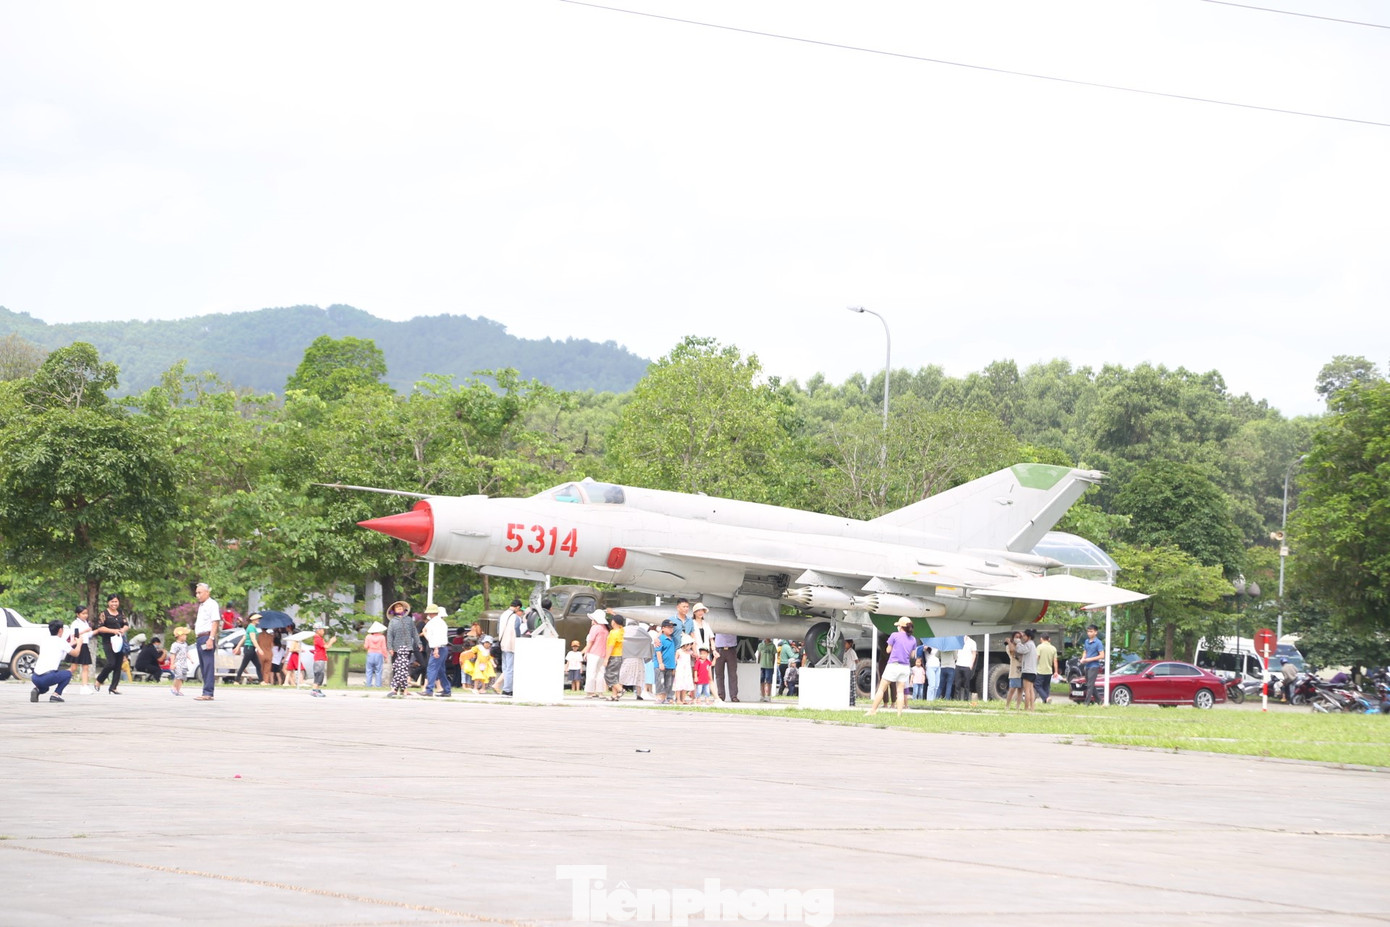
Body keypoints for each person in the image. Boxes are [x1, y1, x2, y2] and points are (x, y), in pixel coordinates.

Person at [867, 617, 916, 715]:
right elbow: (912, 655)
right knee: (900, 691)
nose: (897, 627)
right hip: (905, 666)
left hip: (893, 665)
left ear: (901, 627)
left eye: (898, 625)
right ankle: (899, 714)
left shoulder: (894, 635)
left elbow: (888, 650)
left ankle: (873, 710)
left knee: (881, 688)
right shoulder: (913, 639)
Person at [30, 619, 82, 703]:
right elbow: (76, 653)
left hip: (35, 677)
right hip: (47, 677)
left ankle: (37, 690)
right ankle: (56, 695)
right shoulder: (61, 642)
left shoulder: (44, 640)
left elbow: (55, 649)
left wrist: (70, 644)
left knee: (45, 688)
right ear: (60, 630)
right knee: (68, 674)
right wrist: (79, 643)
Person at [93, 593, 130, 695]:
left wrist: (123, 630)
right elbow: (100, 627)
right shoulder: (104, 613)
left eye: (116, 601)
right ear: (108, 602)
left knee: (118, 665)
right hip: (108, 641)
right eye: (112, 601)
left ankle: (113, 687)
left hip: (120, 641)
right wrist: (113, 631)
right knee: (111, 663)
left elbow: (126, 625)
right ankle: (99, 680)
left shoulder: (121, 613)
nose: (114, 603)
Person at [194, 582, 220, 701]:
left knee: (208, 665)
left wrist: (211, 638)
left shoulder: (212, 604)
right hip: (200, 637)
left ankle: (208, 692)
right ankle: (205, 690)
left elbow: (215, 622)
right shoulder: (202, 606)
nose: (197, 595)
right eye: (196, 593)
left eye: (200, 593)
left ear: (207, 592)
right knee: (203, 665)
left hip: (207, 637)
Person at [386, 600, 415, 698]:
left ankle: (403, 689)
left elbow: (414, 632)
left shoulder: (409, 620)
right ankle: (395, 688)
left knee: (405, 669)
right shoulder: (392, 622)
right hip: (396, 648)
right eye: (397, 607)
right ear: (394, 610)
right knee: (397, 668)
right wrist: (390, 647)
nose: (399, 608)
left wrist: (418, 643)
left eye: (400, 606)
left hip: (408, 647)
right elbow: (389, 635)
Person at [421, 605, 451, 698]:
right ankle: (446, 690)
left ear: (430, 613)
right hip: (443, 647)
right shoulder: (441, 622)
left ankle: (429, 689)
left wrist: (436, 648)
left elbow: (434, 636)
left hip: (437, 648)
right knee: (440, 670)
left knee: (432, 669)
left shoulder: (433, 623)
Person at [68, 604, 95, 694]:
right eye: (83, 614)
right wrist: (86, 631)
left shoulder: (85, 623)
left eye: (86, 613)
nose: (85, 615)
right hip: (77, 645)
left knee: (85, 667)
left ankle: (84, 686)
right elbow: (75, 635)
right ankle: (62, 681)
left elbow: (88, 634)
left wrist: (95, 631)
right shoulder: (75, 623)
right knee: (74, 667)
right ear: (78, 614)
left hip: (85, 645)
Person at [583, 609, 609, 698]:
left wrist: (585, 652)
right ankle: (600, 692)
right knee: (600, 673)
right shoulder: (605, 629)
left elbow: (590, 642)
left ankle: (590, 692)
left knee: (591, 672)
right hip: (602, 654)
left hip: (593, 653)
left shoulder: (595, 627)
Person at [309, 623, 337, 698]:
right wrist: (331, 641)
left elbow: (325, 647)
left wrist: (330, 642)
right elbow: (326, 646)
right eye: (322, 629)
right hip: (319, 658)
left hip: (321, 658)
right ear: (318, 630)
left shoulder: (319, 638)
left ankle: (317, 689)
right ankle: (314, 690)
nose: (323, 631)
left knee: (320, 674)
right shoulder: (317, 638)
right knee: (318, 674)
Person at [233, 614, 262, 684]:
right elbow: (253, 639)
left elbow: (244, 637)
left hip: (251, 648)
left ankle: (262, 681)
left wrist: (238, 646)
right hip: (249, 648)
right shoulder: (251, 627)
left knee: (258, 665)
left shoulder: (251, 627)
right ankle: (236, 680)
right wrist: (259, 649)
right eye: (257, 619)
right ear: (253, 620)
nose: (258, 620)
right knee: (244, 665)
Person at [604, 612, 626, 701]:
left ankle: (621, 689)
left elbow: (610, 646)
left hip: (613, 656)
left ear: (614, 622)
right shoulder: (621, 631)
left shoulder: (613, 633)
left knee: (609, 675)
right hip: (620, 656)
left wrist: (606, 658)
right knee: (615, 676)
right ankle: (614, 695)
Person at [1081, 624, 1105, 705]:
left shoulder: (1098, 642)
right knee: (1090, 684)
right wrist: (1083, 658)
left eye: (1091, 631)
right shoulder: (1086, 641)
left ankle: (1086, 703)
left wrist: (1090, 659)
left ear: (1095, 632)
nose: (1089, 633)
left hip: (1094, 666)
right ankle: (1100, 701)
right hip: (1087, 665)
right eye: (1088, 631)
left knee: (1090, 685)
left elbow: (1102, 655)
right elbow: (1085, 651)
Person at [1015, 629, 1038, 711]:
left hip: (1027, 670)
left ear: (1029, 637)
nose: (1023, 637)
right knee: (1031, 690)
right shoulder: (1032, 644)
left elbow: (1020, 650)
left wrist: (1018, 642)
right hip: (1033, 670)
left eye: (1024, 636)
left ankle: (1026, 708)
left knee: (1027, 690)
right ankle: (1032, 707)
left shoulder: (1028, 645)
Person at [655, 620, 677, 704]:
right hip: (660, 665)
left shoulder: (673, 639)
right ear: (663, 628)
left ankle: (669, 697)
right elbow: (658, 651)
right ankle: (659, 697)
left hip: (670, 665)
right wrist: (660, 663)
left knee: (669, 682)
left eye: (672, 627)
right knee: (660, 681)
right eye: (669, 627)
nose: (671, 629)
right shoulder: (660, 639)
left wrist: (674, 665)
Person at [713, 630, 739, 703]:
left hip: (731, 649)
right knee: (719, 674)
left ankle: (734, 696)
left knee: (733, 674)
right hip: (719, 649)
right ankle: (721, 695)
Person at [361, 621, 387, 688]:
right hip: (379, 654)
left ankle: (368, 684)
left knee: (369, 670)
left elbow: (366, 646)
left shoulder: (368, 637)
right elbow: (384, 647)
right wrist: (385, 656)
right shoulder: (382, 637)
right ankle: (378, 685)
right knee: (378, 670)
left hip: (370, 654)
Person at [1035, 632, 1058, 704]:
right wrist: (1056, 672)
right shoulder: (1053, 648)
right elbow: (1055, 661)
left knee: (1037, 685)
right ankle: (1045, 701)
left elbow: (1037, 658)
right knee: (1046, 686)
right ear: (1049, 639)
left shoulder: (1039, 647)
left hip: (1040, 670)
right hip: (1049, 671)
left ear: (1041, 639)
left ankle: (1046, 698)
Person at [169, 626, 192, 696]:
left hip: (184, 664)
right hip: (178, 664)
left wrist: (190, 659)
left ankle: (178, 690)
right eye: (185, 635)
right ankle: (174, 687)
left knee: (183, 677)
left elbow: (186, 652)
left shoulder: (185, 644)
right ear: (180, 636)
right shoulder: (175, 645)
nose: (186, 637)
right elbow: (173, 654)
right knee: (178, 676)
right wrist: (172, 664)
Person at [955, 634, 977, 701]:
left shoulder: (972, 642)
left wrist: (971, 665)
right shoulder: (958, 641)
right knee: (957, 684)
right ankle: (957, 699)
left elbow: (974, 654)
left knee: (966, 684)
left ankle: (966, 699)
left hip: (967, 666)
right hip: (958, 664)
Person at [673, 639, 695, 704]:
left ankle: (683, 699)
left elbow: (695, 655)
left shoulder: (690, 652)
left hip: (687, 670)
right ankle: (678, 700)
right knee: (679, 684)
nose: (690, 646)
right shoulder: (679, 651)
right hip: (680, 669)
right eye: (689, 645)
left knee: (685, 684)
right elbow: (675, 660)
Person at [756, 637, 777, 702]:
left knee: (768, 681)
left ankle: (768, 696)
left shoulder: (772, 646)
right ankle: (762, 695)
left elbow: (774, 657)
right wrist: (758, 664)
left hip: (769, 666)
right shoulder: (760, 645)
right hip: (762, 665)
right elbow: (759, 655)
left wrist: (773, 666)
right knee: (761, 680)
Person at [1005, 634, 1024, 708]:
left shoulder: (1022, 646)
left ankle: (1018, 705)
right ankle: (1007, 705)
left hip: (1022, 671)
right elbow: (1012, 651)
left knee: (1020, 690)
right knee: (1012, 689)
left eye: (1019, 637)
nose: (1018, 639)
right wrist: (1009, 642)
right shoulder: (1009, 646)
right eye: (1016, 637)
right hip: (1014, 671)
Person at [843, 639, 860, 706]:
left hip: (851, 670)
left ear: (850, 644)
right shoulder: (844, 652)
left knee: (851, 687)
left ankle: (852, 702)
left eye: (846, 643)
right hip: (846, 670)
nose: (844, 645)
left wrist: (856, 669)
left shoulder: (852, 652)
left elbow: (856, 660)